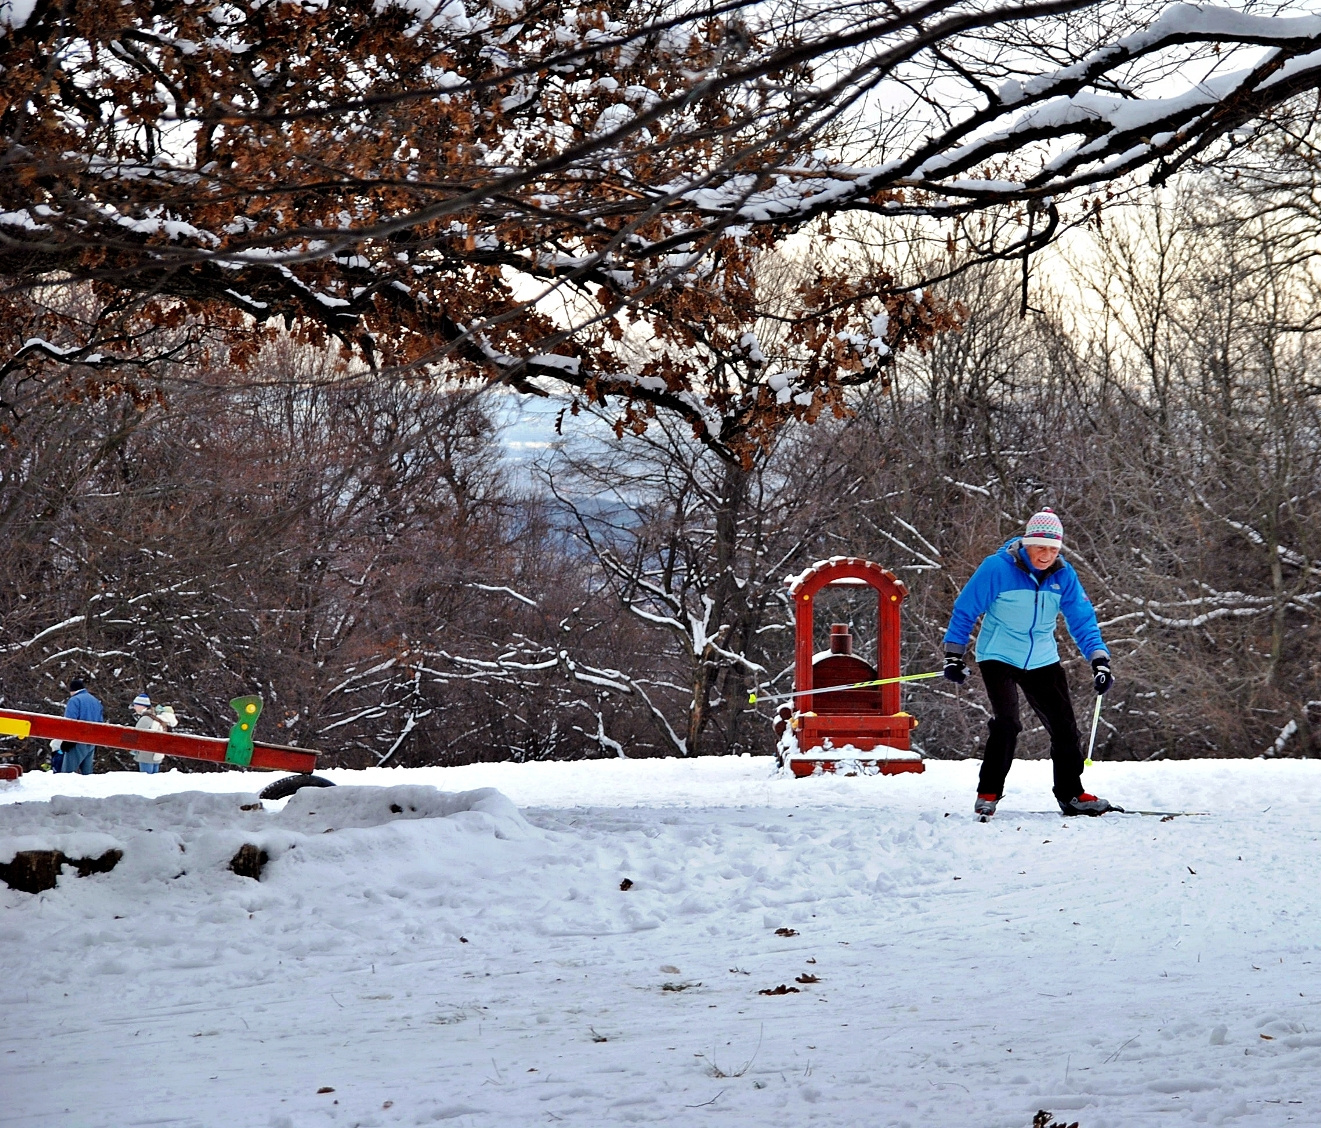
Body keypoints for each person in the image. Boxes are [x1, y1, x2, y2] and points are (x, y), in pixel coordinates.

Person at [941, 508, 1117, 819]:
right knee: (1007, 724)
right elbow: (966, 609)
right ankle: (989, 792)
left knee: (1064, 729)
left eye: (1053, 549)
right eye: (1040, 547)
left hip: (1042, 658)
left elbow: (1082, 619)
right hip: (999, 654)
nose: (1046, 555)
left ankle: (1071, 795)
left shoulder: (1064, 575)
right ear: (1027, 544)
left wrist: (1099, 659)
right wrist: (954, 655)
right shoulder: (997, 568)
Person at [59, 677, 104, 774]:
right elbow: (100, 722)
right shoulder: (96, 701)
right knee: (87, 773)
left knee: (68, 772)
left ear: (72, 690)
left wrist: (67, 740)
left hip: (77, 740)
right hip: (92, 741)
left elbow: (70, 722)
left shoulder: (74, 700)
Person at [130, 693, 174, 773]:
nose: (134, 707)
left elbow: (136, 736)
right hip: (157, 754)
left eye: (136, 705)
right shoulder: (155, 717)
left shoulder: (145, 719)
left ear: (142, 706)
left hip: (146, 754)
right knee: (153, 780)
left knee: (146, 779)